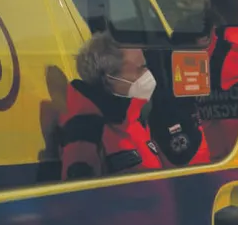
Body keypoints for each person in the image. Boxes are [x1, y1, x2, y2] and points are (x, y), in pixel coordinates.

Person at [59, 33, 205, 180]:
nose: (147, 74)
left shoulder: (133, 120)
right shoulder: (86, 132)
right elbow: (81, 197)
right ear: (110, 77)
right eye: (140, 68)